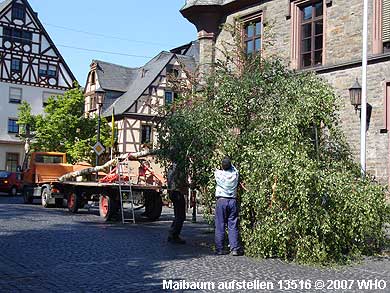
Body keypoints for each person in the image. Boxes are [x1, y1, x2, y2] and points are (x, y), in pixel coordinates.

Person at [214, 157, 241, 255]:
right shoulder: (235, 174)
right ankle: (234, 248)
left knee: (220, 224)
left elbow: (216, 169)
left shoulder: (218, 174)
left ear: (222, 166)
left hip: (221, 200)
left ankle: (219, 248)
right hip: (232, 201)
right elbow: (235, 169)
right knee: (233, 225)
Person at [167, 162, 186, 244]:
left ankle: (172, 233)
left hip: (172, 192)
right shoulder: (179, 168)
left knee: (177, 214)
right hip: (177, 192)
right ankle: (174, 235)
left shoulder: (171, 168)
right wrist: (188, 185)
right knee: (180, 216)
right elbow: (180, 182)